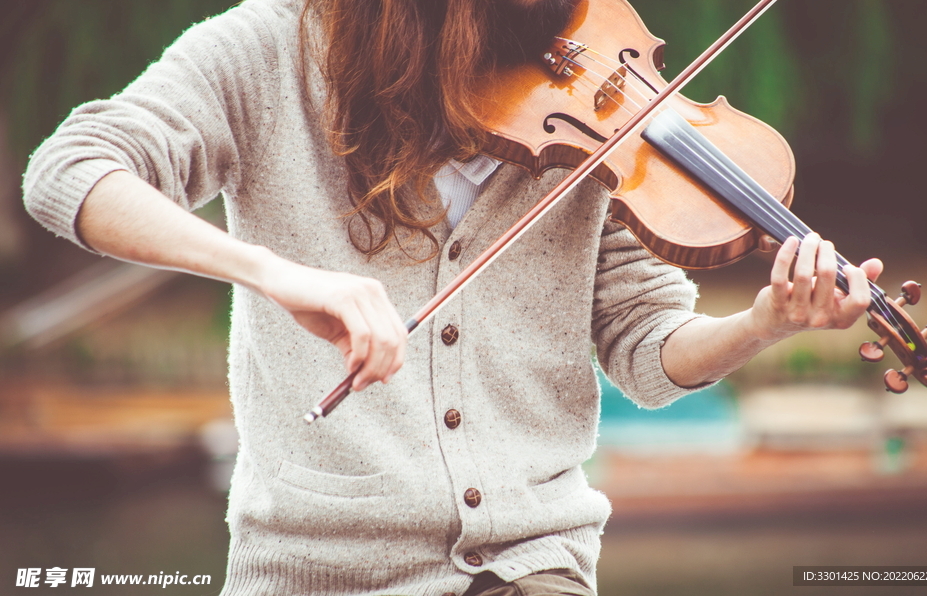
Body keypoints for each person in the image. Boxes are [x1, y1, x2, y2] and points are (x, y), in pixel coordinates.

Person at [22, 0, 882, 594]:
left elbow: (648, 349)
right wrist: (273, 272)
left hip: (531, 560)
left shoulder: (592, 112)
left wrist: (763, 323)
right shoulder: (266, 51)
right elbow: (70, 171)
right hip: (314, 566)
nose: (550, 41)